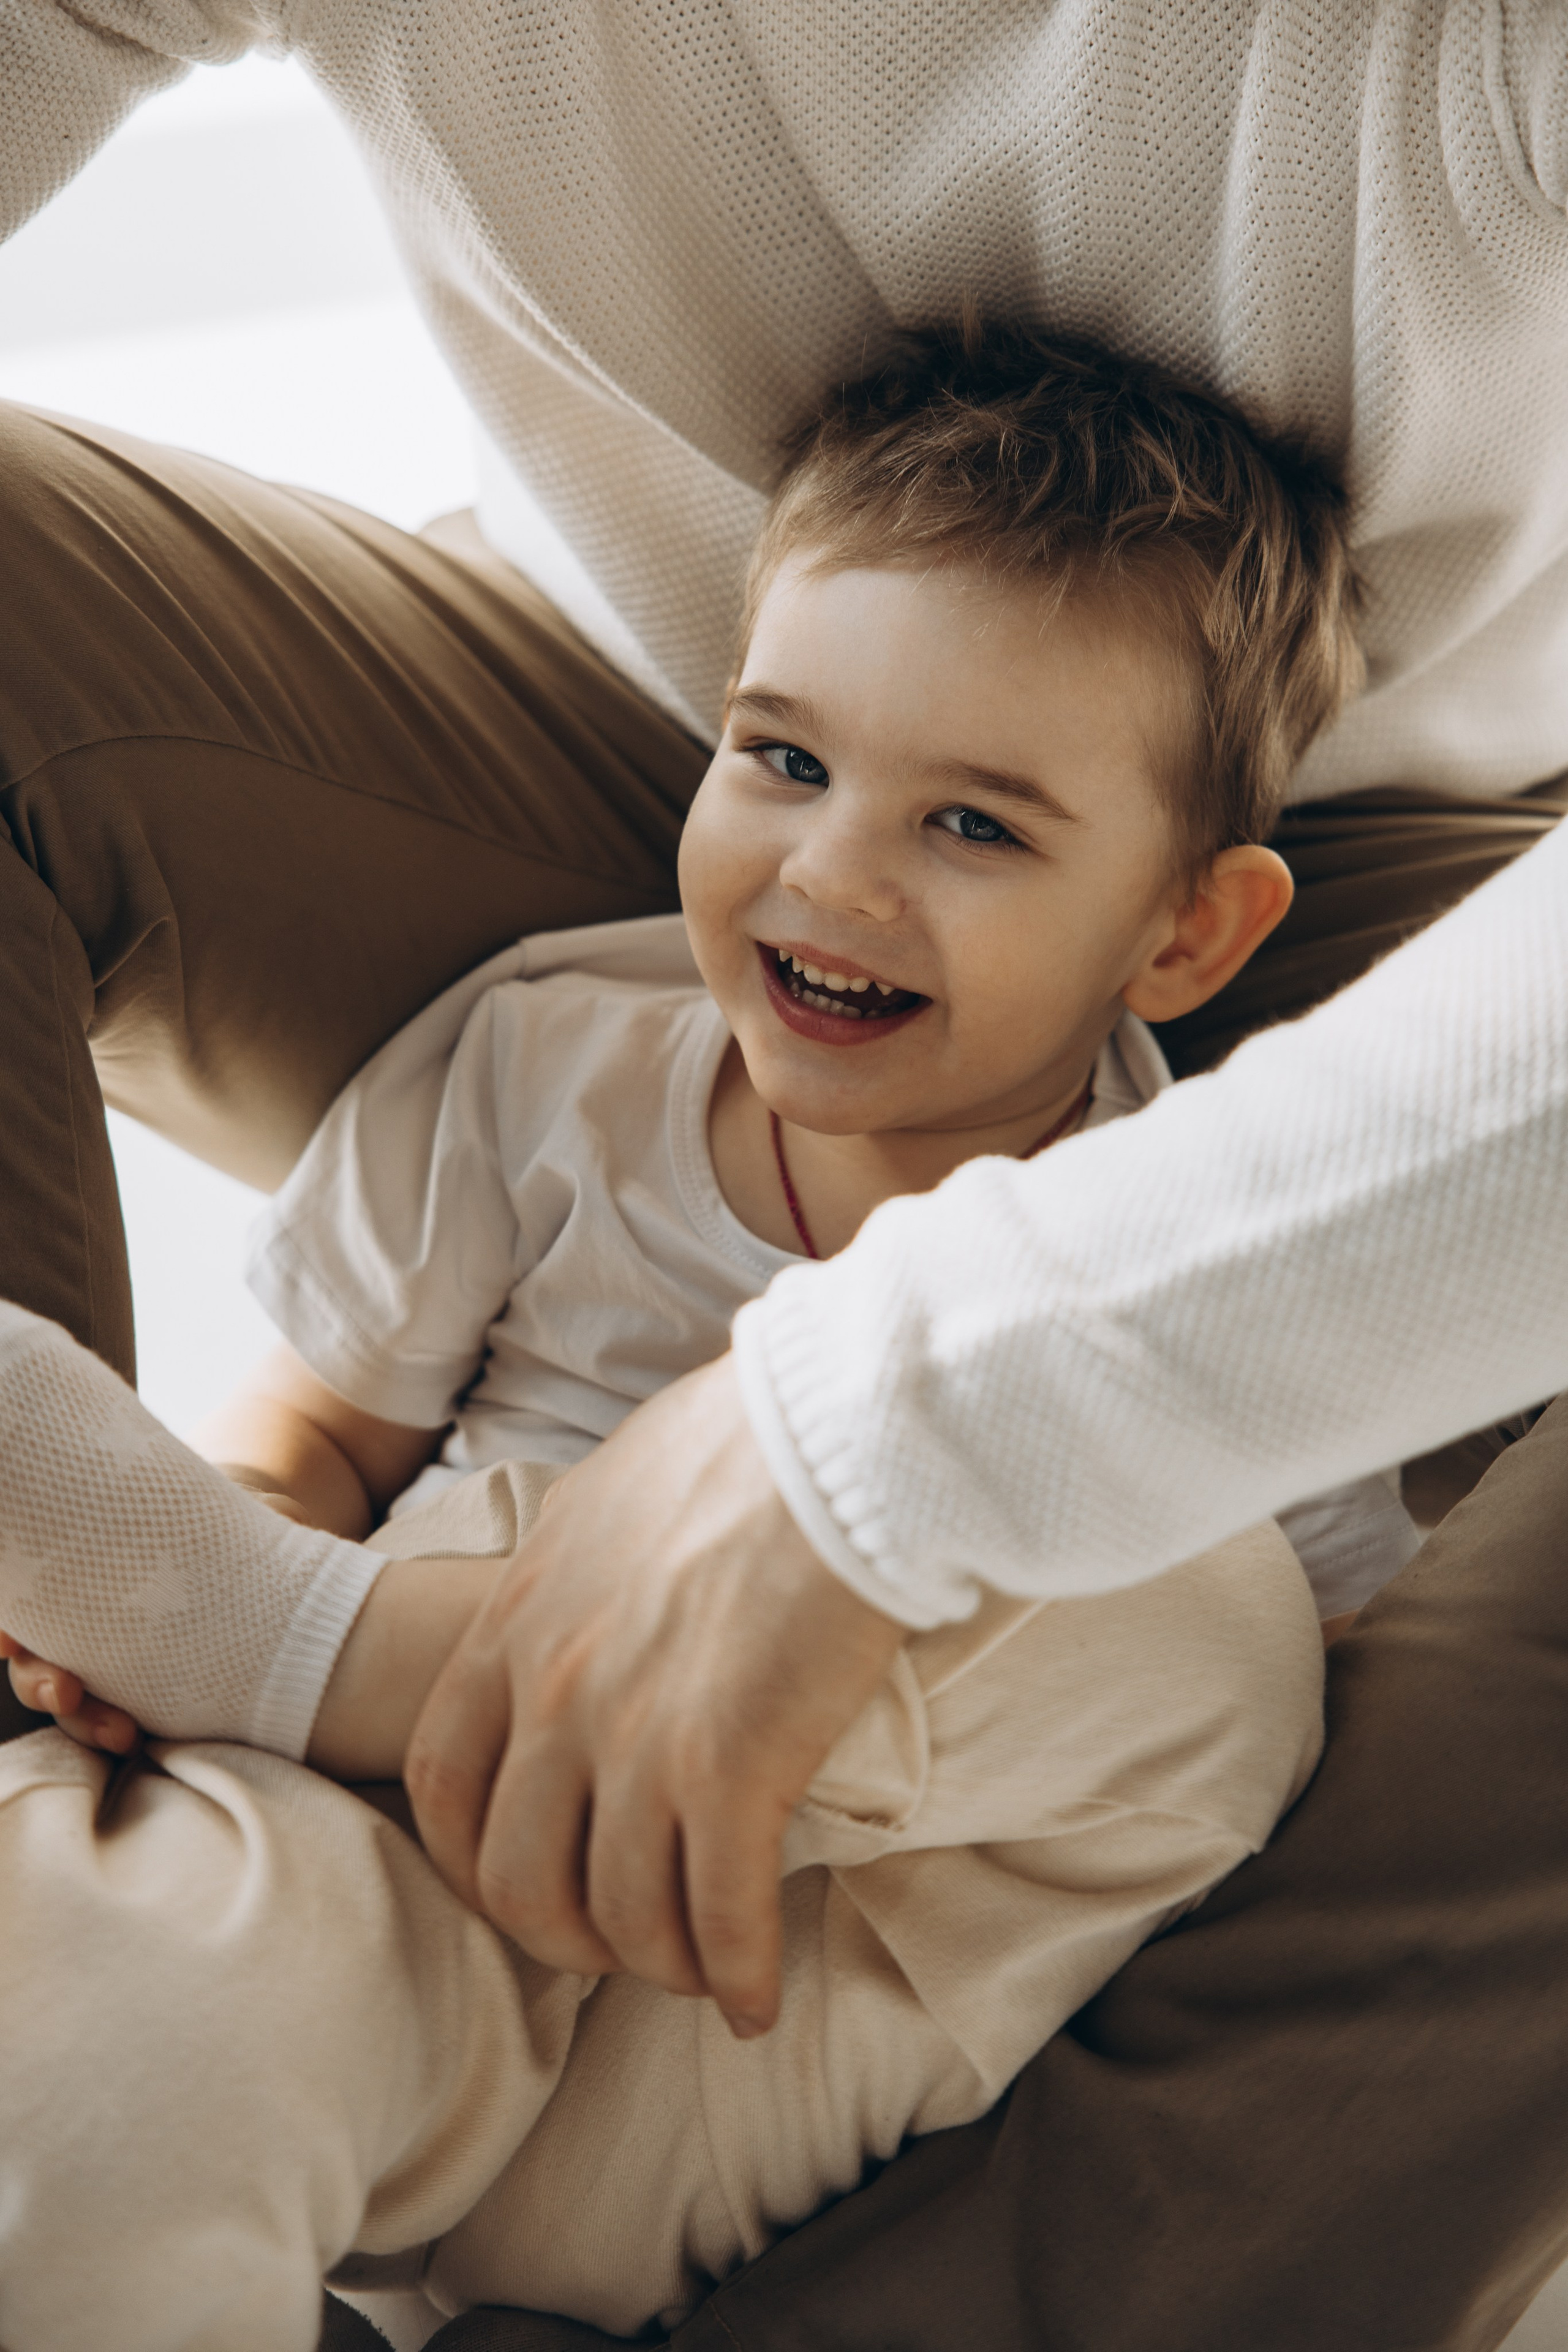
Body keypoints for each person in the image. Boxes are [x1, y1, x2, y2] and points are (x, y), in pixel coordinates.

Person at [3, 7, 1568, 2348]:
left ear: (1186, 937)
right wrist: (194, 1656)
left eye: (954, 824)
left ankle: (301, 1669)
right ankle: (195, 1736)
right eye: (789, 768)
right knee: (103, 2047)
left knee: (1219, 1632)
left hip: (787, 2007)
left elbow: (1265, 1700)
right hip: (418, 1872)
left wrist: (896, 1483)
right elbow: (320, 1424)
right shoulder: (552, 1063)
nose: (834, 875)